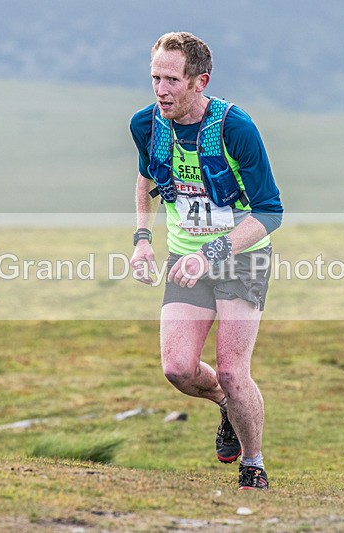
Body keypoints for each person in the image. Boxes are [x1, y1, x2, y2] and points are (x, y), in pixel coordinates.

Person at [129, 32, 283, 490]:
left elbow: (270, 213)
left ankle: (253, 465)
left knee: (235, 370)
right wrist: (142, 239)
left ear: (200, 81)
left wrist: (211, 253)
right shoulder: (146, 125)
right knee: (177, 368)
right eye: (155, 77)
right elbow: (145, 179)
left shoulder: (236, 128)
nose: (161, 90)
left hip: (241, 259)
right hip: (185, 260)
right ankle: (226, 407)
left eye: (172, 80)